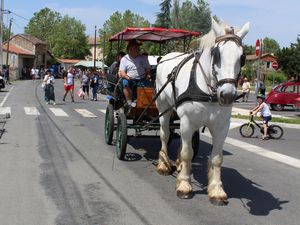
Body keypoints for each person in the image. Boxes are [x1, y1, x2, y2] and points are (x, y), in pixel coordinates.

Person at [119, 39, 151, 107]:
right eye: (135, 47)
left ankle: (148, 103)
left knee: (151, 85)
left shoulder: (144, 58)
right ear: (130, 49)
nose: (138, 49)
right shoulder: (124, 59)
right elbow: (122, 72)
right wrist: (127, 77)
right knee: (125, 83)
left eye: (138, 47)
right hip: (129, 79)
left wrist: (148, 75)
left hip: (142, 79)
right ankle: (129, 102)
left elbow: (148, 69)